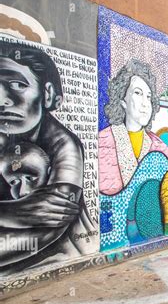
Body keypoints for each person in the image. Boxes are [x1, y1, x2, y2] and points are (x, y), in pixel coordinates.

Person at [0, 41, 97, 272]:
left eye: (16, 84)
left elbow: (49, 225)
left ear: (48, 93)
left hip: (60, 257)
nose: (3, 99)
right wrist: (13, 212)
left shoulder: (63, 144)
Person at [99, 59, 168, 196]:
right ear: (123, 101)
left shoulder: (160, 147)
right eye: (138, 93)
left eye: (149, 96)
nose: (145, 103)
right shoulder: (102, 141)